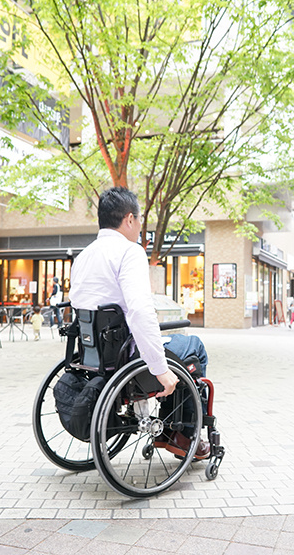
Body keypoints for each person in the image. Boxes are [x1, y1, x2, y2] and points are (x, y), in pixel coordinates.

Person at [69, 187, 209, 459]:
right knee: (194, 346)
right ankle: (182, 433)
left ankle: (172, 431)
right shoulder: (129, 252)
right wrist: (159, 368)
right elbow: (140, 312)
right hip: (126, 354)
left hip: (93, 353)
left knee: (172, 342)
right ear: (129, 219)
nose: (141, 226)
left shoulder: (84, 256)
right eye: (140, 219)